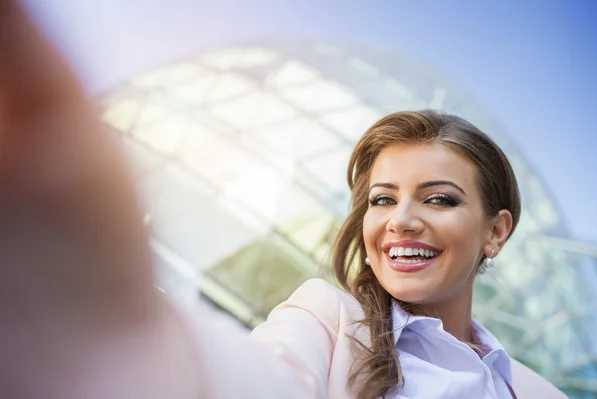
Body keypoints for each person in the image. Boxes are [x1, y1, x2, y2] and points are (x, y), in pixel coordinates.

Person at [0, 2, 567, 398]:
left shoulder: (538, 390)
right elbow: (236, 382)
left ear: (496, 231)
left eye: (438, 199)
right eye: (381, 199)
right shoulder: (324, 323)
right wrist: (104, 326)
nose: (401, 222)